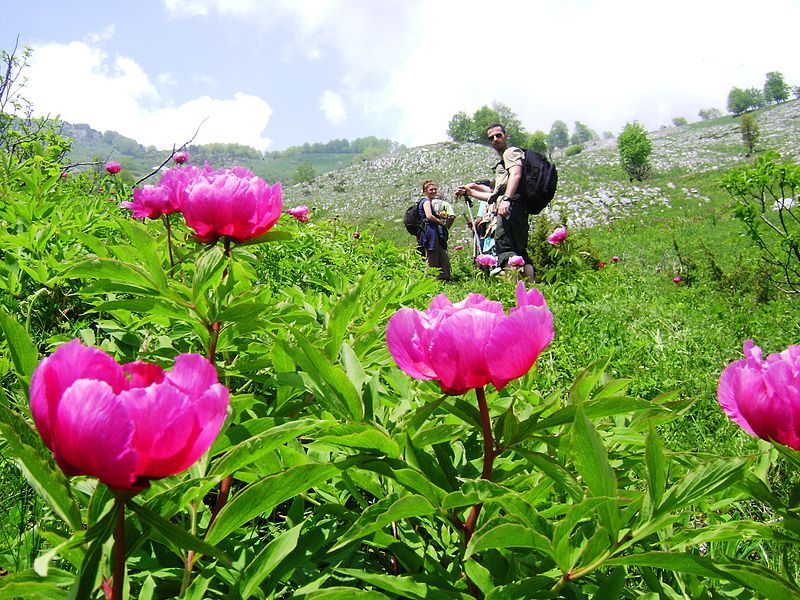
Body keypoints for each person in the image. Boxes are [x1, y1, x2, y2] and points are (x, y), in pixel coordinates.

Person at [457, 124, 535, 281]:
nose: (495, 140)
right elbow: (493, 196)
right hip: (515, 210)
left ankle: (514, 294)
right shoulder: (504, 161)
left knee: (506, 253)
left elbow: (516, 175)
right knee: (520, 254)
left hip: (509, 211)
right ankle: (532, 292)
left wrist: (506, 199)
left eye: (498, 135)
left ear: (506, 136)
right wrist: (471, 192)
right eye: (491, 138)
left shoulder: (510, 153)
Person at [417, 179, 451, 281]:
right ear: (425, 191)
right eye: (431, 190)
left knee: (440, 254)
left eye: (435, 189)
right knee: (432, 256)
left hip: (432, 232)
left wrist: (439, 215)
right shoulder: (426, 202)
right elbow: (429, 216)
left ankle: (443, 277)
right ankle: (431, 279)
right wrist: (440, 222)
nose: (433, 191)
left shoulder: (427, 202)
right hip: (430, 233)